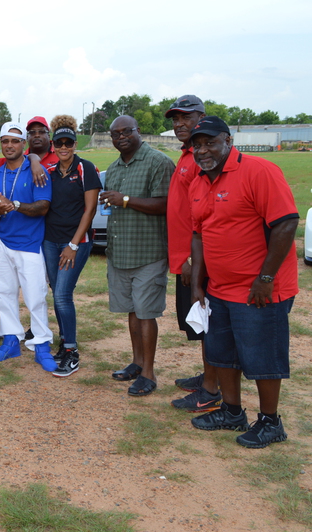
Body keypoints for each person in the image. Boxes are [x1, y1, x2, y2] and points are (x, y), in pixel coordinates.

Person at [188, 117, 298, 448]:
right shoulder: (198, 182)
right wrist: (197, 284)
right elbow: (198, 235)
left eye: (210, 143)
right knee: (222, 353)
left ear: (228, 141)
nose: (202, 151)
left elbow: (286, 223)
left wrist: (265, 278)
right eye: (197, 145)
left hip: (258, 290)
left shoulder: (259, 171)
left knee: (262, 357)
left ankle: (271, 422)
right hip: (219, 288)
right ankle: (232, 411)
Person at [100, 116, 174, 396]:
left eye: (126, 131)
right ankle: (137, 362)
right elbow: (113, 206)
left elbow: (166, 204)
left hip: (148, 252)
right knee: (133, 311)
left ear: (138, 131)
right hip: (121, 252)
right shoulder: (114, 167)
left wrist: (126, 200)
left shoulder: (158, 162)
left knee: (146, 314)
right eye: (115, 134)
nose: (121, 137)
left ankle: (149, 373)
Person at [163, 96, 221, 412]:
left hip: (194, 260)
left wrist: (192, 261)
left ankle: (211, 389)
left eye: (186, 117)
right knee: (199, 324)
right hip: (184, 258)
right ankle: (209, 375)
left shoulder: (202, 158)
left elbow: (206, 215)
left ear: (202, 117)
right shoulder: (188, 155)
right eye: (176, 119)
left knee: (206, 322)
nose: (179, 124)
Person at [0, 122, 55, 371]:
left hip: (30, 244)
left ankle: (42, 345)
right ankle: (11, 341)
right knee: (4, 294)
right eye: (5, 141)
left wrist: (14, 205)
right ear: (0, 144)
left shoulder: (37, 170)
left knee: (35, 296)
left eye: (15, 141)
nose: (10, 145)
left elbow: (43, 207)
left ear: (23, 144)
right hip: (3, 242)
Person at [42, 115, 101, 377]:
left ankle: (71, 351)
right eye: (59, 143)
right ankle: (64, 343)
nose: (64, 147)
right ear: (53, 145)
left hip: (76, 242)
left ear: (75, 144)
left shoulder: (86, 168)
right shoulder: (51, 172)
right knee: (57, 292)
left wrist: (73, 245)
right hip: (50, 241)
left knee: (63, 295)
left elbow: (90, 210)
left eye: (68, 143)